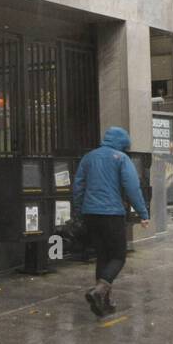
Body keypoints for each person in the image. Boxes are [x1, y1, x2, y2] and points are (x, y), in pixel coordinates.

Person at [72, 126, 150, 317]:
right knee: (118, 256)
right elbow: (132, 187)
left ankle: (103, 303)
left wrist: (79, 211)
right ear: (122, 143)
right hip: (112, 214)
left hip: (91, 214)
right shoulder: (121, 158)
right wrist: (143, 213)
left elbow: (78, 187)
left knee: (103, 256)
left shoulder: (88, 157)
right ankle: (98, 291)